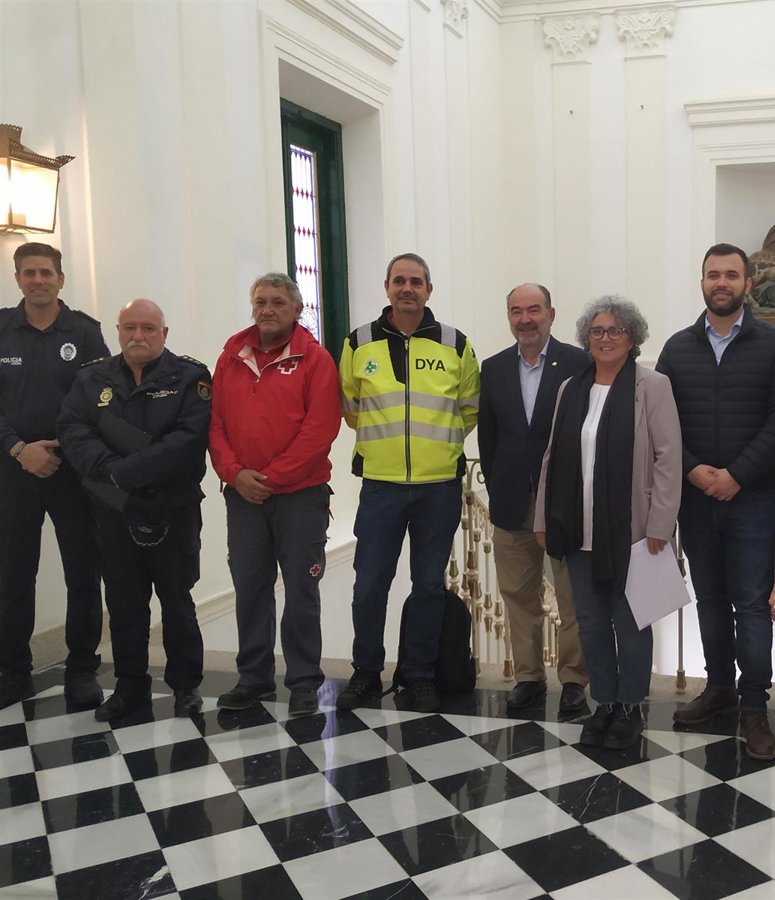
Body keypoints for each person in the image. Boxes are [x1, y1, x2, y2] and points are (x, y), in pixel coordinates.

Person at [656, 242, 775, 761]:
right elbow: (661, 419)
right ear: (702, 282)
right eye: (713, 274)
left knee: (752, 603)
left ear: (748, 283)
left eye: (731, 274)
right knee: (711, 600)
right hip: (696, 498)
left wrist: (738, 475)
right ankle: (719, 688)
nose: (721, 282)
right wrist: (694, 469)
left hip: (751, 499)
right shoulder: (677, 348)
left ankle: (754, 707)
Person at [535, 297, 681, 749]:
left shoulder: (652, 386)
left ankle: (631, 706)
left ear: (632, 338)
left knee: (631, 621)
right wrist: (543, 517)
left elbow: (668, 457)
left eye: (615, 330)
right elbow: (552, 457)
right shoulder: (571, 388)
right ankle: (605, 703)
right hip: (577, 528)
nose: (605, 338)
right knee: (591, 623)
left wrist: (660, 524)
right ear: (587, 338)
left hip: (634, 532)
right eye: (597, 331)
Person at [337, 253, 480, 714]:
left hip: (438, 488)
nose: (407, 289)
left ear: (428, 290)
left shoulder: (455, 343)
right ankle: (365, 670)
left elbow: (470, 408)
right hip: (380, 486)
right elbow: (349, 406)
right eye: (399, 281)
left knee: (428, 585)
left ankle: (418, 674)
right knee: (369, 584)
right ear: (387, 287)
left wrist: (436, 449)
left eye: (416, 282)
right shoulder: (359, 342)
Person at [57, 299, 210, 721]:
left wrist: (126, 471)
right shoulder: (91, 378)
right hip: (114, 509)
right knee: (124, 603)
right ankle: (130, 687)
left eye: (148, 328)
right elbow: (71, 429)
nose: (137, 336)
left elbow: (188, 439)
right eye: (129, 327)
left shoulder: (190, 377)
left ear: (164, 333)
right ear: (118, 331)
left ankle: (185, 687)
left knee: (177, 601)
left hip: (172, 508)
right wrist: (110, 470)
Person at [208, 273, 341, 717]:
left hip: (300, 497)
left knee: (301, 590)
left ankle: (303, 681)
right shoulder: (231, 357)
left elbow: (320, 430)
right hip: (242, 496)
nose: (267, 309)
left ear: (297, 309)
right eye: (261, 301)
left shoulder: (316, 359)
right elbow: (215, 424)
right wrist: (234, 473)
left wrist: (270, 477)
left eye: (278, 302)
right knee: (250, 588)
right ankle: (254, 678)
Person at [0, 243, 108, 710]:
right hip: (13, 470)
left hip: (73, 472)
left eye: (46, 272)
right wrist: (19, 449)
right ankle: (13, 671)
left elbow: (103, 401)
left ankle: (81, 669)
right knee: (12, 575)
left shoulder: (85, 332)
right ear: (17, 278)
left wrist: (63, 448)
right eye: (29, 273)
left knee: (82, 573)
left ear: (61, 279)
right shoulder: (1, 328)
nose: (38, 280)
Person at [478, 283, 589, 715]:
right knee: (517, 595)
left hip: (565, 503)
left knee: (572, 595)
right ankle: (528, 678)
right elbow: (489, 438)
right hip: (511, 502)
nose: (525, 319)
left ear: (551, 314)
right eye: (516, 311)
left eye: (534, 310)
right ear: (509, 317)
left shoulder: (578, 363)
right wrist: (499, 486)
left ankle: (574, 680)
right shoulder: (494, 368)